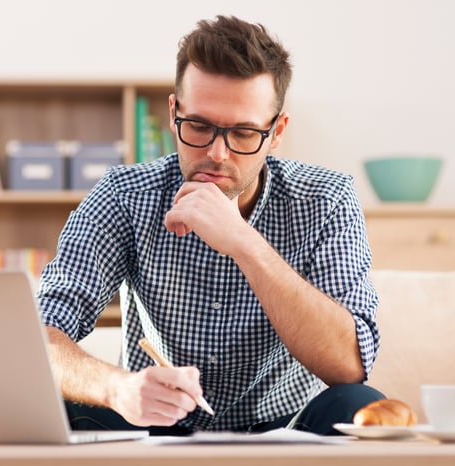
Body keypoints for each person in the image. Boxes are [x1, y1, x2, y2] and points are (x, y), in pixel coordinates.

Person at [37, 15, 383, 435]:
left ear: (277, 132)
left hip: (287, 429)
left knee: (358, 404)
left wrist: (243, 241)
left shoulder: (327, 200)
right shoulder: (124, 196)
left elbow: (349, 365)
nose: (218, 154)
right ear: (173, 113)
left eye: (242, 133)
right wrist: (116, 388)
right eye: (199, 126)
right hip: (156, 425)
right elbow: (39, 334)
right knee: (50, 403)